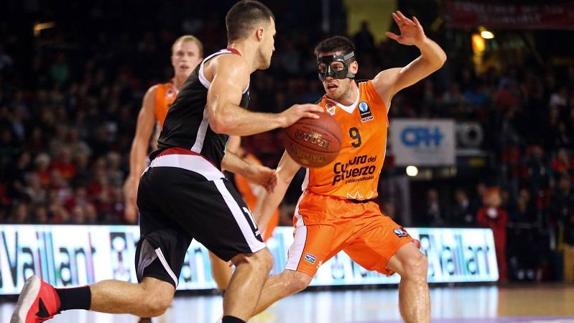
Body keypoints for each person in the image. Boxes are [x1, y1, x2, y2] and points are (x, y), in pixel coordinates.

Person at [11, 1, 322, 323]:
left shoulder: (217, 70)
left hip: (160, 177)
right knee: (257, 260)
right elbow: (221, 119)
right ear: (259, 32)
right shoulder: (233, 63)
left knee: (154, 298)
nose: (275, 43)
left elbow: (201, 140)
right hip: (190, 174)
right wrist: (283, 118)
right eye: (273, 35)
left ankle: (51, 299)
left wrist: (249, 169)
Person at [252, 11, 446, 323]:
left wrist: (422, 42)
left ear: (353, 68)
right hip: (323, 210)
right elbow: (283, 177)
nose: (329, 76)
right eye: (323, 70)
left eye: (336, 68)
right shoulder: (312, 120)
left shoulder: (379, 89)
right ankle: (231, 314)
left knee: (415, 264)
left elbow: (435, 61)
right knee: (296, 280)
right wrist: (256, 234)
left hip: (365, 211)